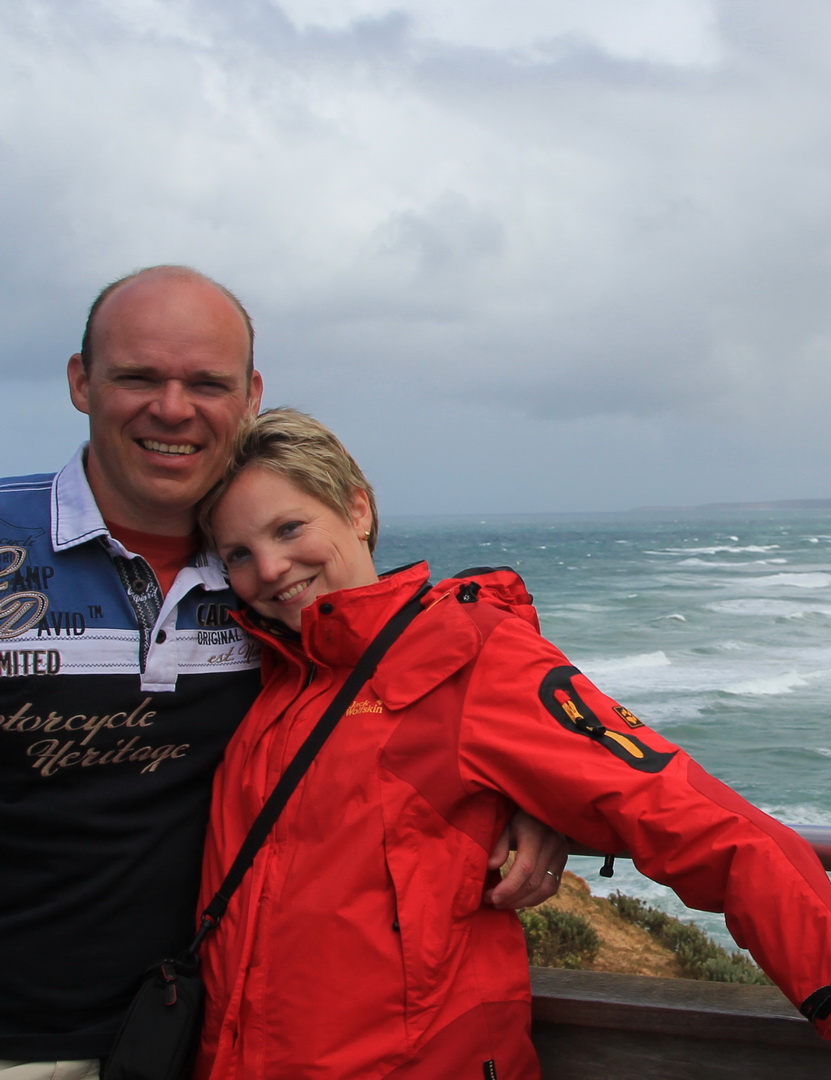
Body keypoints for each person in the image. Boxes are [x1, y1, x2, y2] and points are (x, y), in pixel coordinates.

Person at [193, 408, 831, 1078]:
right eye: (240, 554)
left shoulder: (467, 659)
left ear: (357, 510)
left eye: (290, 528)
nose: (271, 568)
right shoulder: (269, 681)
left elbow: (660, 796)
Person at [0, 268, 567, 1080]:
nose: (172, 408)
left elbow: (434, 642)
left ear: (250, 396)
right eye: (138, 377)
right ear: (81, 382)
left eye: (206, 383)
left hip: (197, 1037)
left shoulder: (265, 572)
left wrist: (531, 784)